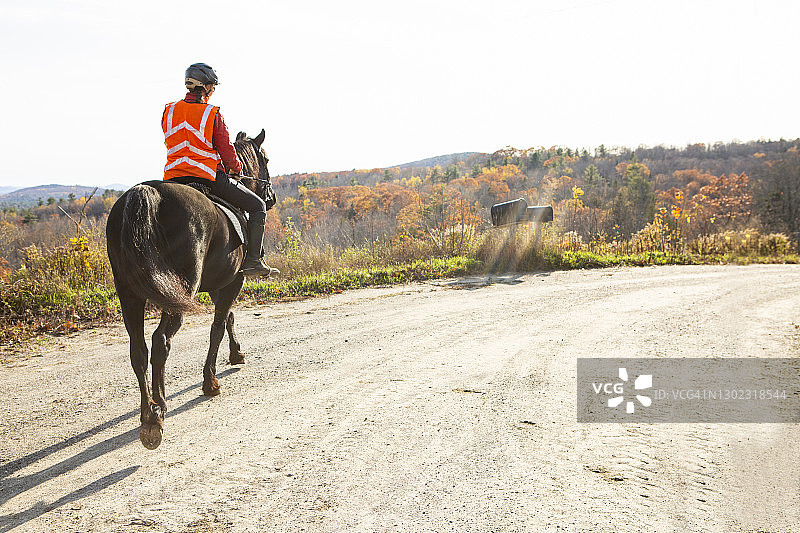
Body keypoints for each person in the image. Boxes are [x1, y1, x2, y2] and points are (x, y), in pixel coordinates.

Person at [162, 62, 276, 277]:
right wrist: (235, 168)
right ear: (205, 87)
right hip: (206, 176)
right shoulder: (211, 113)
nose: (212, 91)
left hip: (173, 178)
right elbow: (226, 148)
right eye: (212, 87)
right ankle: (253, 260)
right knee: (258, 205)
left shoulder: (169, 110)